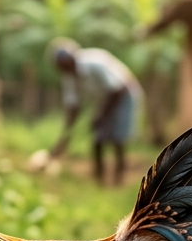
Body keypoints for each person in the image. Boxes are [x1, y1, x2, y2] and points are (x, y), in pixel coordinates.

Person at [49, 38, 143, 185]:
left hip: (124, 94)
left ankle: (119, 177)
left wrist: (101, 116)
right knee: (98, 138)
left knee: (118, 138)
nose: (65, 70)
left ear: (72, 59)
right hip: (106, 99)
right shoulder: (69, 77)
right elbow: (73, 108)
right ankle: (99, 179)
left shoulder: (95, 62)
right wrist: (63, 140)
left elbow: (116, 89)